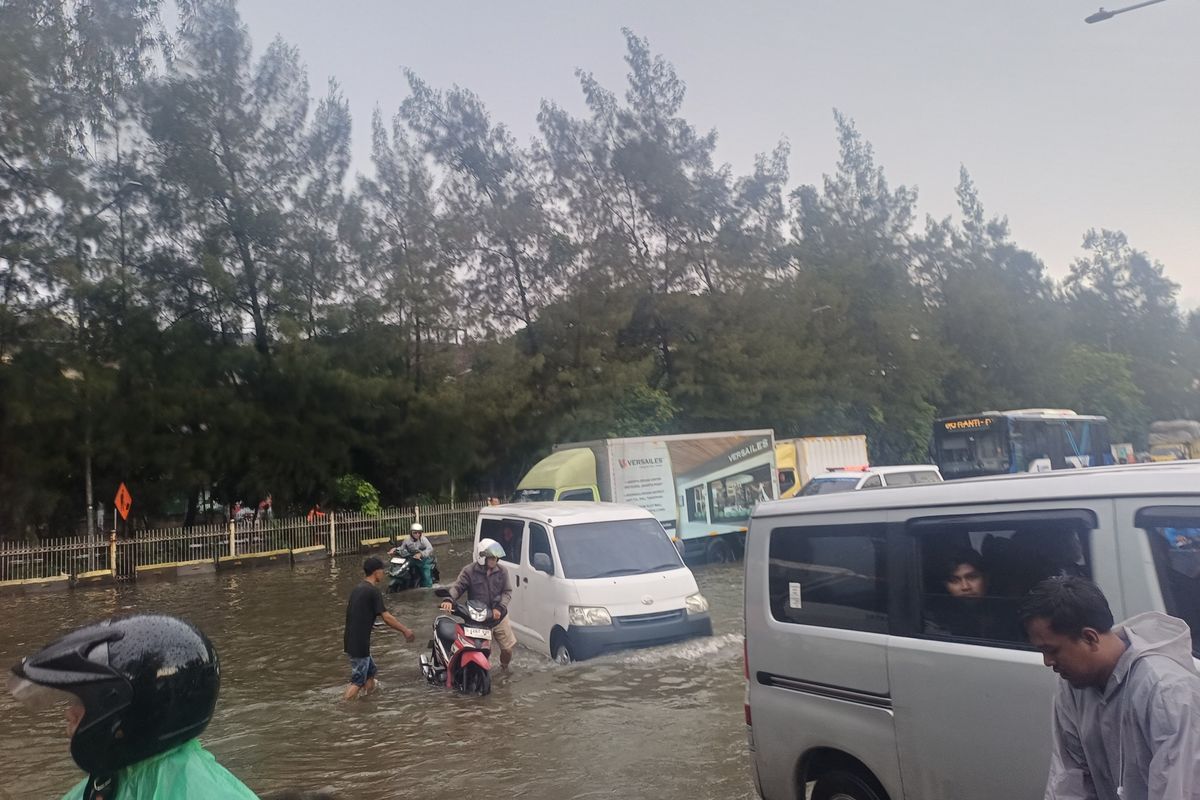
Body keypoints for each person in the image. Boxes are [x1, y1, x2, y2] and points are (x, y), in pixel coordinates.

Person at [7, 614, 257, 799]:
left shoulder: (199, 791)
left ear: (136, 711)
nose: (69, 713)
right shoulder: (108, 783)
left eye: (83, 702)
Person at [1020, 576, 1200, 800]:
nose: (1047, 661)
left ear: (1089, 637)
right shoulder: (1073, 687)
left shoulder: (1167, 692)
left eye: (1053, 650)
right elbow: (1070, 779)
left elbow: (1179, 789)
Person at [344, 556, 416, 700]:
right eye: (382, 570)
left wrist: (369, 624)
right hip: (359, 643)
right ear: (376, 572)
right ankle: (344, 707)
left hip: (352, 639)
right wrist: (405, 630)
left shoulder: (358, 589)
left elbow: (355, 613)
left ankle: (368, 702)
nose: (384, 573)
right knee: (358, 680)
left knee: (371, 671)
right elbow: (387, 617)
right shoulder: (373, 591)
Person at [441, 538, 516, 670]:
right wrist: (448, 599)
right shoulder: (469, 571)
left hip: (499, 616)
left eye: (495, 558)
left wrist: (499, 608)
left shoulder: (502, 571)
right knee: (481, 650)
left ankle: (504, 669)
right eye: (491, 558)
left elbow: (507, 592)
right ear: (482, 557)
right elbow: (458, 588)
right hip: (478, 619)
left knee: (507, 650)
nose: (494, 560)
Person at [391, 523, 436, 587]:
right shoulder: (407, 539)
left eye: (419, 532)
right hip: (412, 558)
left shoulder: (423, 539)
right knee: (403, 568)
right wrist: (395, 550)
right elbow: (402, 548)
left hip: (423, 559)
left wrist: (421, 554)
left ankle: (428, 587)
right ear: (411, 532)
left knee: (426, 574)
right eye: (415, 532)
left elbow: (430, 548)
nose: (417, 534)